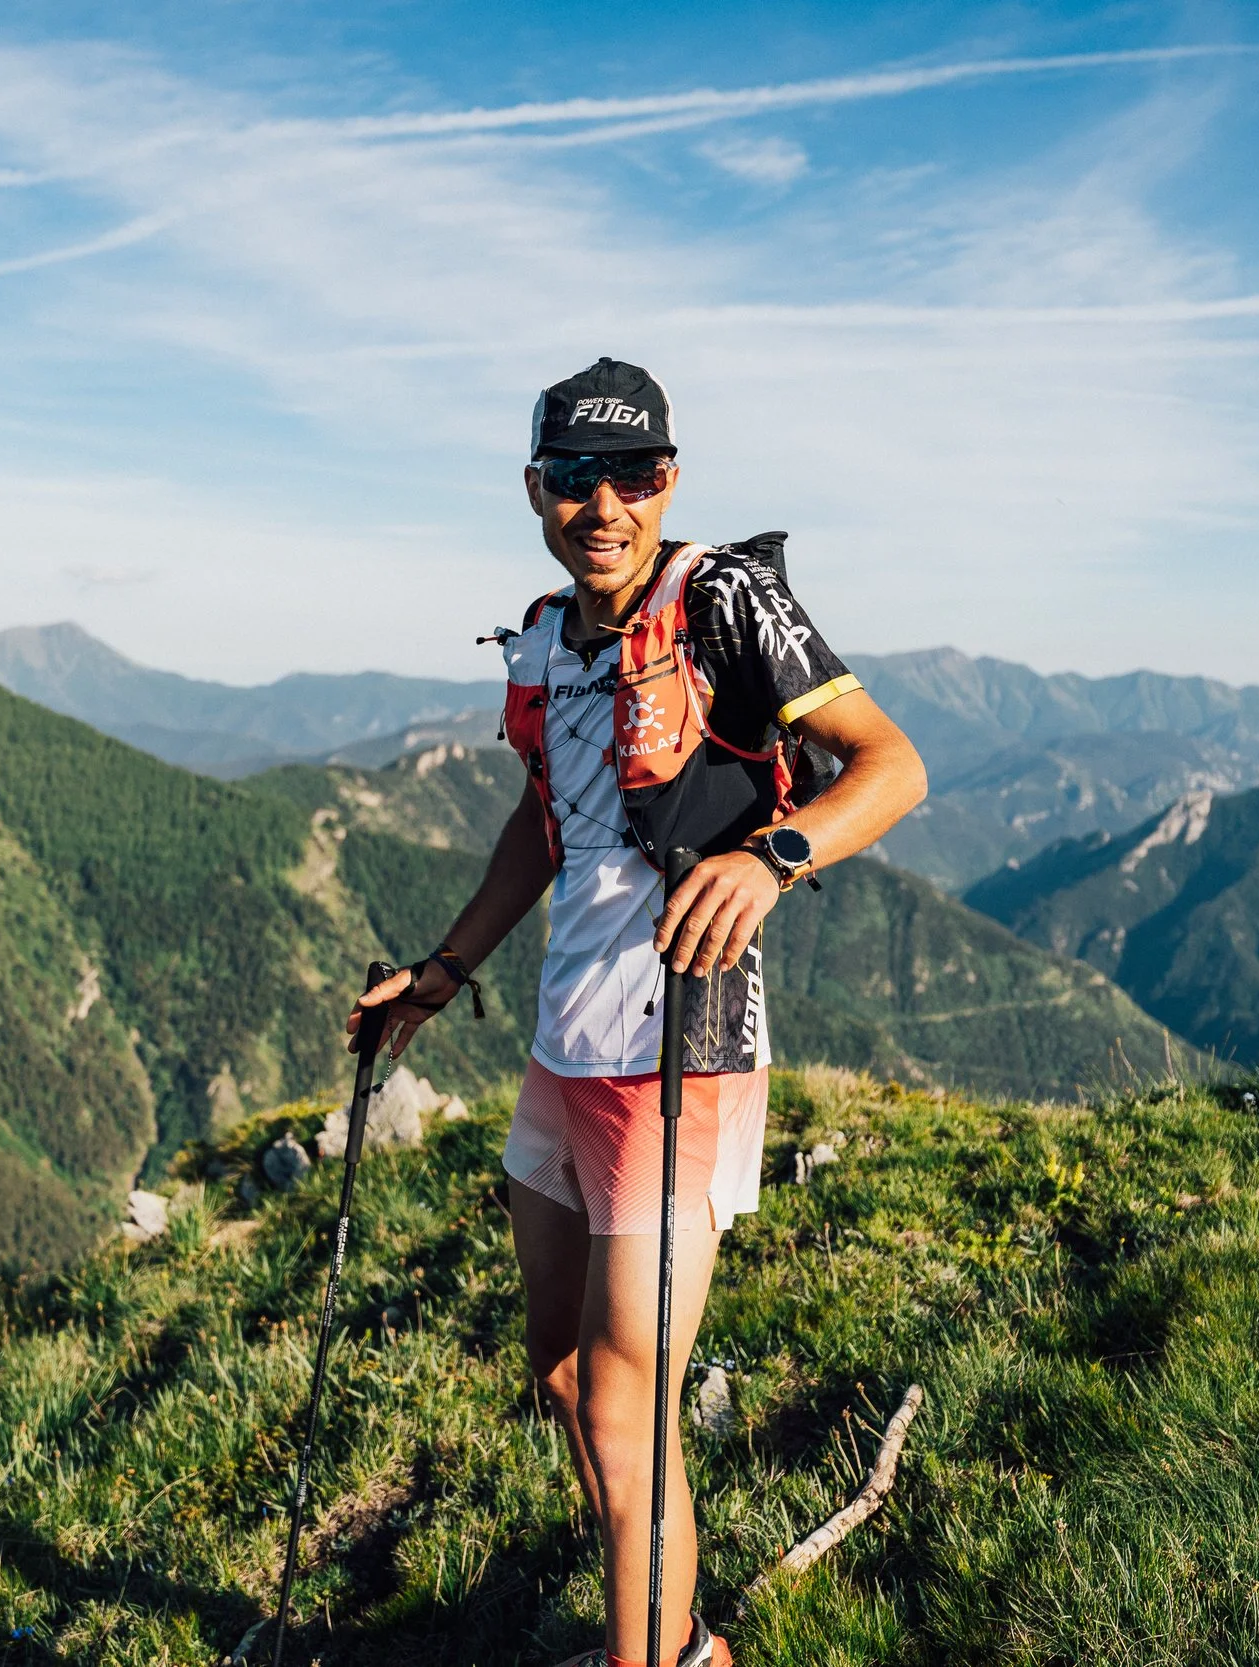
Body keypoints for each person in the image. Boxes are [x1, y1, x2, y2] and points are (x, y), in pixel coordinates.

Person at [348, 357, 927, 1667]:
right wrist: (441, 973)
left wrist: (776, 857)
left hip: (682, 1052)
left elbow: (893, 767)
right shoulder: (546, 635)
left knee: (625, 1406)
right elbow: (545, 821)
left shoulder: (726, 601)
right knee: (562, 1369)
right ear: (535, 489)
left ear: (670, 480)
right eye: (575, 477)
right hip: (565, 1049)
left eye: (635, 475)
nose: (604, 504)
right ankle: (673, 1636)